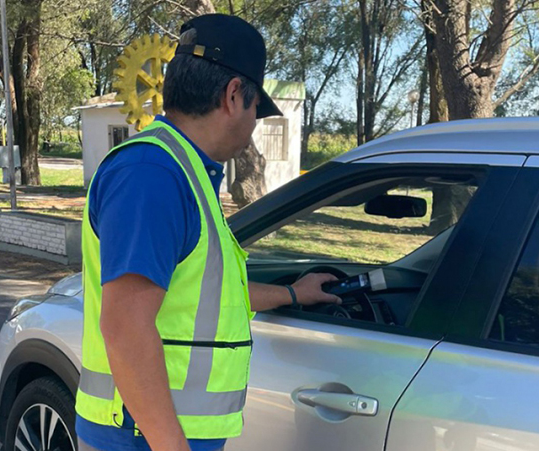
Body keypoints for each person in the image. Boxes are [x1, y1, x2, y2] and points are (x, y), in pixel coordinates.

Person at [76, 14, 341, 451]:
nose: (255, 122)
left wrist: (294, 294)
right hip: (140, 437)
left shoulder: (183, 171)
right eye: (258, 108)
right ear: (234, 95)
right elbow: (126, 327)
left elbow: (208, 296)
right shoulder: (153, 174)